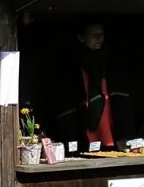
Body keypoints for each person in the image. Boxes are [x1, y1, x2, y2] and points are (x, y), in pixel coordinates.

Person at [52, 22, 133, 150]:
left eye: (101, 34)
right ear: (81, 38)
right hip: (85, 119)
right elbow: (66, 101)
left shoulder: (111, 60)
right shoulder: (71, 64)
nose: (99, 38)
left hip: (108, 115)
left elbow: (122, 99)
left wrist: (124, 133)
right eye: (93, 35)